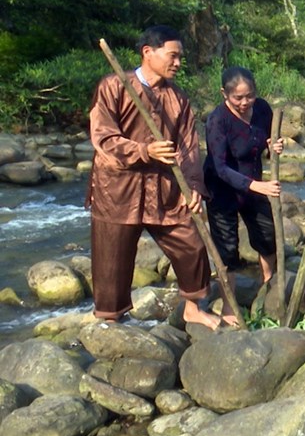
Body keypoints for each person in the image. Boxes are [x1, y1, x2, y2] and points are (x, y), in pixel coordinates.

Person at [86, 25, 221, 329]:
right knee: (112, 257)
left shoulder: (178, 99)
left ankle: (192, 307)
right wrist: (145, 150)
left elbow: (188, 148)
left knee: (192, 242)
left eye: (180, 57)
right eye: (173, 56)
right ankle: (110, 319)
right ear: (148, 52)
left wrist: (195, 186)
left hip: (165, 190)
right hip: (117, 190)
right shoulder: (114, 86)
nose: (178, 62)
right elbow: (103, 138)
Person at [203, 67, 284, 290]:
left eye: (250, 96)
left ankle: (267, 286)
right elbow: (220, 167)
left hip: (254, 186)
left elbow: (267, 142)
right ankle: (229, 303)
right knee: (227, 247)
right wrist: (256, 185)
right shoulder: (217, 121)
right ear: (224, 94)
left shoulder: (262, 109)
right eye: (237, 98)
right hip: (222, 189)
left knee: (268, 236)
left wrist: (274, 145)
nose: (244, 102)